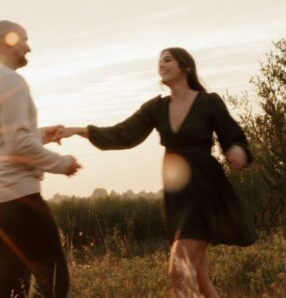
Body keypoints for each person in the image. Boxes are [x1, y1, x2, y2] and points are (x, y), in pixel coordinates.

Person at [60, 48, 255, 298]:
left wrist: (236, 150)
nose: (161, 64)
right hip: (177, 197)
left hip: (205, 190)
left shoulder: (208, 102)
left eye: (167, 59)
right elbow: (123, 134)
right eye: (159, 61)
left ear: (185, 67)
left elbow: (233, 135)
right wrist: (81, 130)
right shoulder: (157, 108)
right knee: (197, 277)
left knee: (179, 270)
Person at [0, 20, 80, 298]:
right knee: (54, 281)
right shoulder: (12, 81)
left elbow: (3, 138)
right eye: (24, 39)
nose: (29, 47)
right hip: (21, 200)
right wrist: (63, 164)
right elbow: (18, 144)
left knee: (13, 286)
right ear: (7, 41)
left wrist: (41, 135)